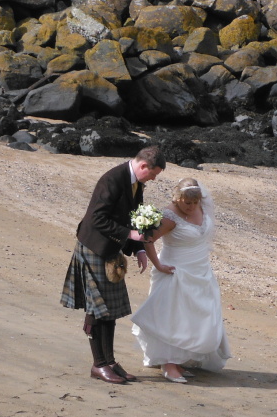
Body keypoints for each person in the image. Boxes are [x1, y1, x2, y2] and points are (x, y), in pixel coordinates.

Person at [60, 145, 166, 384]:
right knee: (99, 309)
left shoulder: (135, 182)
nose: (154, 178)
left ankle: (109, 361)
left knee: (109, 310)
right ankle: (99, 365)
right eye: (153, 174)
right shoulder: (113, 179)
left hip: (110, 249)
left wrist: (138, 248)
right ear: (142, 166)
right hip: (94, 247)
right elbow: (97, 218)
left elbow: (132, 217)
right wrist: (129, 234)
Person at [131, 178, 231, 383]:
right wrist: (158, 265)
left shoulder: (201, 206)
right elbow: (147, 239)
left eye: (194, 203)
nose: (191, 207)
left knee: (193, 315)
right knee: (173, 315)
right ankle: (169, 363)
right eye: (187, 203)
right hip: (175, 270)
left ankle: (181, 359)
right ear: (177, 199)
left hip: (200, 269)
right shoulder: (168, 216)